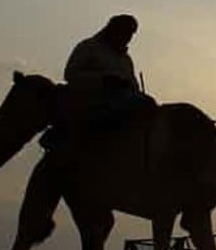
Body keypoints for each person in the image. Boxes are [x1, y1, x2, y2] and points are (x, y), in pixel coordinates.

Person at [41, 14, 153, 151]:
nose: (128, 38)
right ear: (113, 29)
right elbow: (70, 74)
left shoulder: (125, 60)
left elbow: (133, 84)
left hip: (122, 106)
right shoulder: (88, 47)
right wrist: (103, 80)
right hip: (91, 106)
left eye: (130, 34)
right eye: (125, 32)